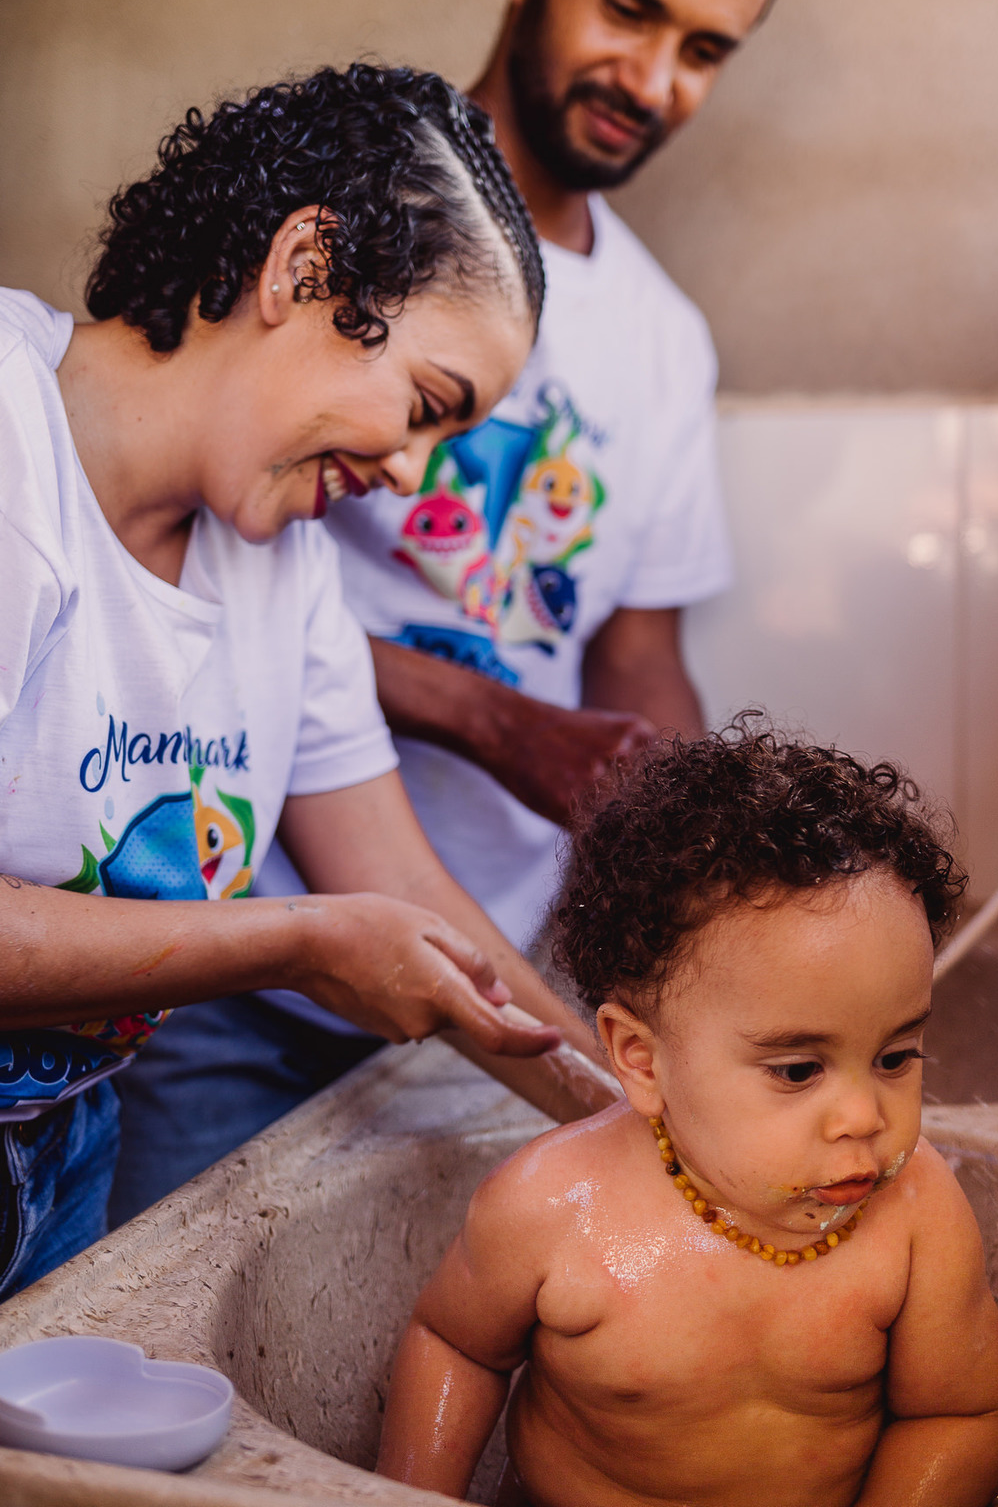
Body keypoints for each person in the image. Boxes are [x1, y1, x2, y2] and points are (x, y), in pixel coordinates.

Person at [110, 0, 787, 1215]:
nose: (654, 76)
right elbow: (160, 554)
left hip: (469, 943)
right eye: (631, 6)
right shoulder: (347, 204)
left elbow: (636, 652)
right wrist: (491, 718)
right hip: (210, 950)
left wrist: (720, 878)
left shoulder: (663, 340)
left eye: (705, 50)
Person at [0, 62, 605, 1299]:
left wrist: (635, 1123)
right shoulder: (12, 450)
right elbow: (337, 919)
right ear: (305, 268)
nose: (411, 474)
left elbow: (401, 886)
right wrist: (299, 941)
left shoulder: (285, 574)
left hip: (66, 1148)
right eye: (425, 406)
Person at [377, 726, 998, 1507]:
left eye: (896, 1057)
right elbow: (454, 1346)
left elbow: (960, 1412)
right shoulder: (550, 1207)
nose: (864, 1117)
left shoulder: (914, 1209)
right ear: (641, 1059)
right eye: (798, 1070)